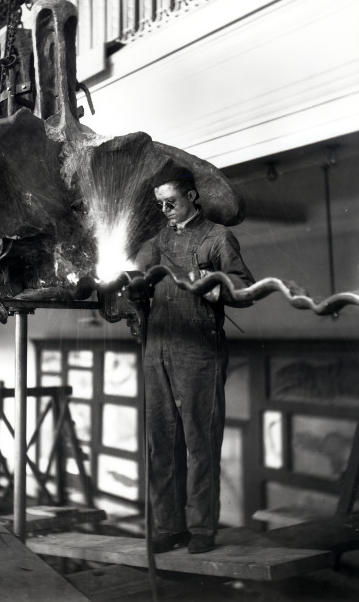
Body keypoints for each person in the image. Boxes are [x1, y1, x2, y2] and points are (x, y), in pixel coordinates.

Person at [135, 177, 254, 554]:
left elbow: (244, 289)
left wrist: (210, 283)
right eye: (160, 205)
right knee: (161, 443)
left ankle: (202, 528)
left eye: (171, 202)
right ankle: (169, 527)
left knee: (200, 443)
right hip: (157, 350)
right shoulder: (156, 243)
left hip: (199, 352)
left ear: (191, 196)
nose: (165, 210)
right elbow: (136, 286)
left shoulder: (217, 238)